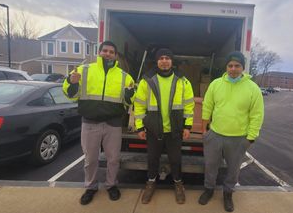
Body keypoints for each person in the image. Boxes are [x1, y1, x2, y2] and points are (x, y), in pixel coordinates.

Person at [62, 41, 135, 205]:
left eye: (111, 52)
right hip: (90, 123)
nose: (108, 54)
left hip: (113, 124)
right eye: (105, 51)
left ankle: (111, 185)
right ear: (99, 52)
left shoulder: (125, 76)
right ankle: (91, 187)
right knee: (91, 159)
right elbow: (70, 94)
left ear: (115, 56)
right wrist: (72, 82)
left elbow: (130, 101)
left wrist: (130, 94)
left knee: (113, 159)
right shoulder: (83, 71)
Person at [198, 51, 264, 212]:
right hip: (215, 135)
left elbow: (257, 114)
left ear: (242, 67)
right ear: (226, 67)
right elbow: (207, 106)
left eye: (237, 65)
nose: (233, 69)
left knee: (233, 170)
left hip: (238, 138)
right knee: (210, 166)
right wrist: (204, 129)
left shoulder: (252, 88)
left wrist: (251, 138)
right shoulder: (215, 84)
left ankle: (228, 194)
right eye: (230, 65)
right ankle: (209, 190)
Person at [133, 48, 195, 204]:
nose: (164, 60)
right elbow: (139, 106)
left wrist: (187, 126)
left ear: (172, 61)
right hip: (154, 130)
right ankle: (151, 183)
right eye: (161, 58)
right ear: (157, 61)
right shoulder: (147, 80)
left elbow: (189, 105)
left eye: (168, 57)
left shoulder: (183, 80)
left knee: (176, 160)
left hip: (175, 130)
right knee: (152, 159)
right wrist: (140, 127)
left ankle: (178, 184)